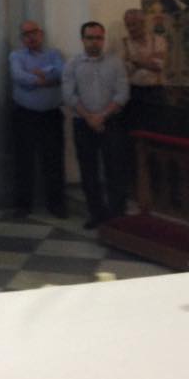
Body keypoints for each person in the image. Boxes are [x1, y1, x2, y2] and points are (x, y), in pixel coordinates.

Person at [62, 21, 130, 229]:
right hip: (83, 123)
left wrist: (102, 116)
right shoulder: (72, 64)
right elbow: (68, 95)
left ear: (103, 39)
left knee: (114, 169)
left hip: (111, 122)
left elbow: (122, 94)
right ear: (83, 39)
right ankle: (97, 214)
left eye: (98, 38)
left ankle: (117, 214)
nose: (94, 42)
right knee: (89, 170)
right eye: (90, 38)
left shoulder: (115, 63)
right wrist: (90, 117)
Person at [9, 20, 66, 217]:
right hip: (25, 115)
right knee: (24, 161)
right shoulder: (16, 55)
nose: (31, 37)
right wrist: (45, 80)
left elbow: (62, 73)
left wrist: (42, 76)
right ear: (22, 38)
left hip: (51, 115)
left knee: (54, 160)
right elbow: (19, 77)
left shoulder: (54, 54)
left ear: (41, 34)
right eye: (26, 34)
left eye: (34, 32)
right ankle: (23, 205)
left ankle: (56, 204)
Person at [121, 8, 167, 132]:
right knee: (135, 130)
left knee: (158, 130)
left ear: (143, 23)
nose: (131, 28)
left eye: (134, 24)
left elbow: (158, 65)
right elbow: (125, 70)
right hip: (134, 93)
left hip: (155, 92)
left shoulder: (158, 40)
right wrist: (148, 60)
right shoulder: (124, 43)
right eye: (128, 25)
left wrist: (135, 61)